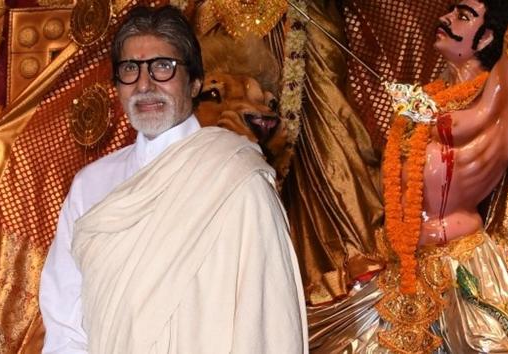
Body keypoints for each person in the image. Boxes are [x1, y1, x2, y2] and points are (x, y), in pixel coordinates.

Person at [39, 5, 308, 354]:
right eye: (130, 70)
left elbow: (266, 323)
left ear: (195, 82)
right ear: (116, 87)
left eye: (163, 67)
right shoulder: (91, 185)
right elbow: (65, 325)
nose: (145, 84)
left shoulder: (238, 181)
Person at [308, 0, 508, 353]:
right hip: (400, 263)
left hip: (459, 264)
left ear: (486, 38)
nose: (446, 19)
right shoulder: (427, 99)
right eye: (451, 11)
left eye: (463, 17)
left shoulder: (497, 101)